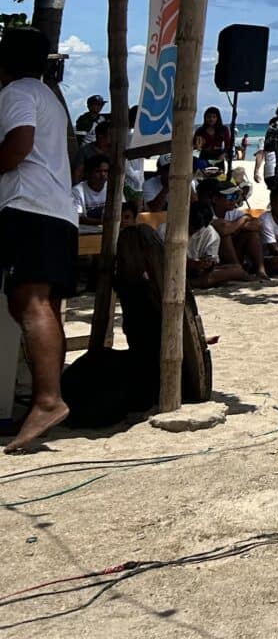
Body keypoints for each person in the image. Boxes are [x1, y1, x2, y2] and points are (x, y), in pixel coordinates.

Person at [0, 27, 77, 451]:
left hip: (29, 207)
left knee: (28, 301)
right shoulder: (49, 96)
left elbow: (18, 145)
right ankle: (42, 399)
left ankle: (48, 399)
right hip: (55, 209)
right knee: (41, 303)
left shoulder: (16, 93)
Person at [178, 201, 246, 289]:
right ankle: (192, 284)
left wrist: (208, 264)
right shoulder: (165, 230)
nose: (193, 230)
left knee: (236, 268)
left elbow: (211, 262)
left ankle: (194, 283)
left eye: (197, 228)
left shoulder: (210, 233)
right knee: (235, 272)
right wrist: (192, 264)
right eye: (191, 226)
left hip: (198, 273)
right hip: (174, 272)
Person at [72, 155, 112, 224]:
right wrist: (103, 222)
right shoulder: (77, 191)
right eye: (98, 171)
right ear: (88, 173)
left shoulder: (112, 187)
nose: (103, 174)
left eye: (105, 171)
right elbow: (78, 217)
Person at [192, 106, 230, 171]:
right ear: (205, 118)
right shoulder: (200, 130)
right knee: (203, 177)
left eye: (214, 117)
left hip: (218, 156)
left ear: (217, 118)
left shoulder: (223, 129)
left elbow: (228, 145)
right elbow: (194, 145)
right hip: (204, 156)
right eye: (209, 117)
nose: (211, 119)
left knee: (219, 177)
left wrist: (224, 154)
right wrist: (198, 145)